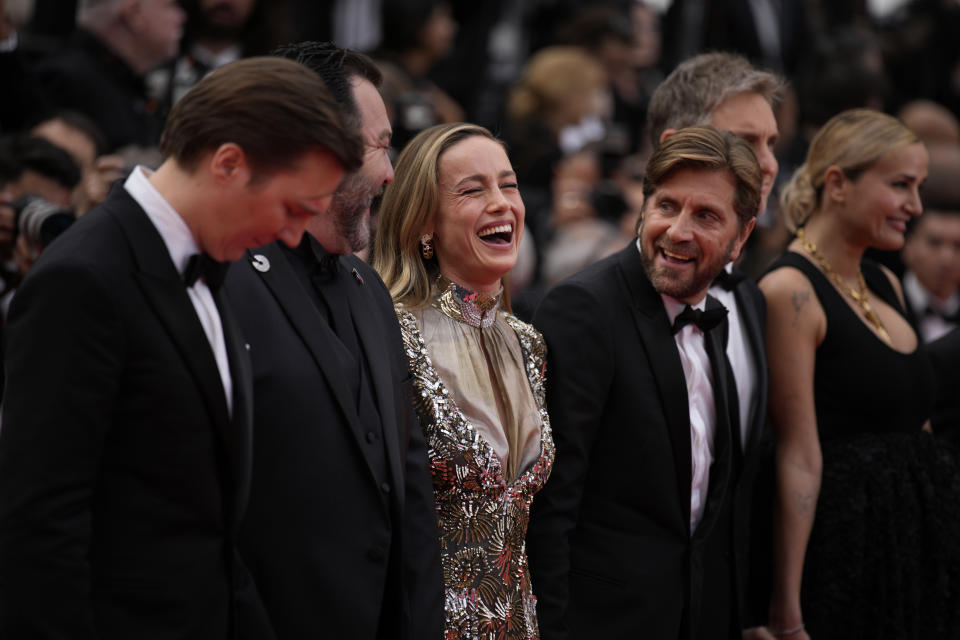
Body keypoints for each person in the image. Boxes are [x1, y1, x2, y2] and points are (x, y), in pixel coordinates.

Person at [0, 56, 361, 639]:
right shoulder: (85, 278)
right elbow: (39, 527)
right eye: (293, 208)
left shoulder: (209, 267)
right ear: (228, 164)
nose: (295, 235)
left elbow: (209, 527)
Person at [223, 42, 443, 640]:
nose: (392, 171)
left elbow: (410, 485)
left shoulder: (367, 288)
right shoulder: (226, 285)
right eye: (379, 144)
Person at [526, 126, 760, 639]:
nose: (678, 230)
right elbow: (551, 504)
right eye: (666, 206)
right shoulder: (584, 309)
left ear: (741, 237)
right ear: (643, 207)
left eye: (706, 216)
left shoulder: (716, 319)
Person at [760, 108, 960, 638]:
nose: (914, 206)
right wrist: (785, 610)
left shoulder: (884, 282)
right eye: (900, 185)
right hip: (847, 553)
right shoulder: (790, 291)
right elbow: (797, 455)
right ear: (838, 183)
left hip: (915, 546)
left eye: (917, 187)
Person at [372, 122, 555, 640]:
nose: (501, 203)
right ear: (424, 222)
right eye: (473, 190)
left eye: (509, 184)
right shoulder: (390, 333)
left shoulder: (529, 342)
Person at [644, 50, 785, 632]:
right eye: (748, 141)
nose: (770, 163)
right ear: (676, 145)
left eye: (774, 141)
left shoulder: (750, 301)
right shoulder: (588, 308)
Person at [33, 0, 186, 151]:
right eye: (172, 6)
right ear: (134, 13)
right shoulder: (65, 80)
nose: (181, 18)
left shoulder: (125, 82)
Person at [900, 146, 960, 343]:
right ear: (908, 246)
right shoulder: (885, 305)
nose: (946, 258)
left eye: (958, 247)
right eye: (934, 243)